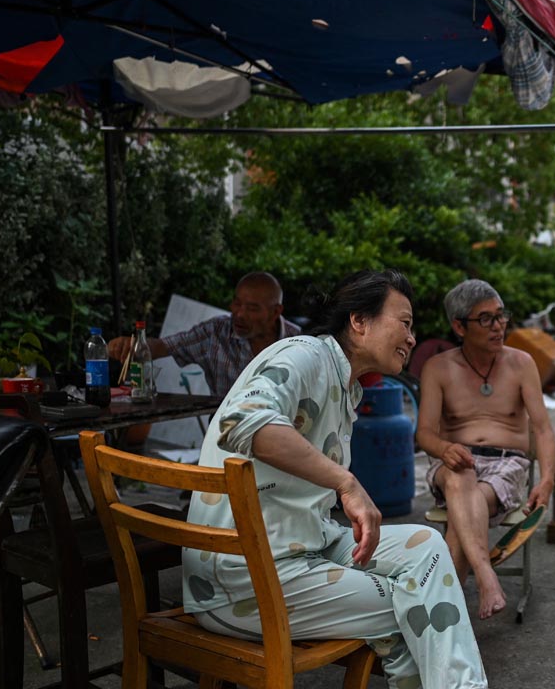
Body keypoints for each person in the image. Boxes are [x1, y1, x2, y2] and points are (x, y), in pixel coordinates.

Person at [183, 269, 486, 689]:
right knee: (417, 601)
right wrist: (347, 483)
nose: (412, 338)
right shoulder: (304, 354)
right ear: (358, 320)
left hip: (303, 547)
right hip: (243, 575)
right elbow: (243, 422)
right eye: (404, 323)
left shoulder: (345, 386)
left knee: (427, 547)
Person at [416, 279, 555, 620]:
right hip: (455, 460)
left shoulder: (522, 363)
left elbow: (542, 428)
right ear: (459, 326)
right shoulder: (438, 368)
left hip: (506, 464)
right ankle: (486, 575)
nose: (498, 326)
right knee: (461, 473)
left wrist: (547, 480)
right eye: (486, 319)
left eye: (501, 315)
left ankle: (442, 615)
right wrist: (444, 448)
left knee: (465, 507)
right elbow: (425, 434)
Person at [107, 272, 302, 396]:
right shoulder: (214, 333)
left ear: (275, 312)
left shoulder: (299, 343)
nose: (240, 314)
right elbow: (163, 346)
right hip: (225, 436)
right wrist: (132, 345)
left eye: (252, 308)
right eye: (237, 303)